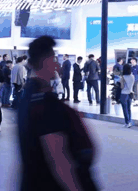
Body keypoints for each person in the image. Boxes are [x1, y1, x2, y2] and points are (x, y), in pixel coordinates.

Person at [18, 36, 99, 191]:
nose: (57, 65)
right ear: (46, 62)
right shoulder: (46, 104)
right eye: (53, 59)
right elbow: (59, 160)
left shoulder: (26, 97)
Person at [119, 63, 135, 128]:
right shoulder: (132, 76)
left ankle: (127, 122)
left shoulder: (123, 77)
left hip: (124, 94)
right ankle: (129, 121)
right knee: (129, 108)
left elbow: (122, 87)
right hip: (130, 93)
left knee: (124, 109)